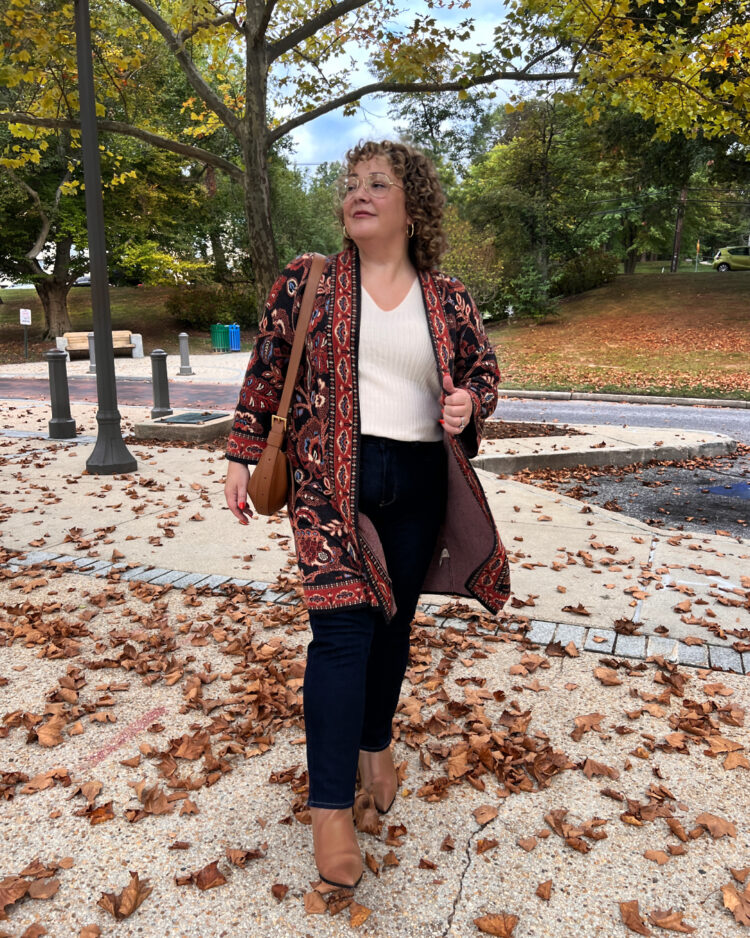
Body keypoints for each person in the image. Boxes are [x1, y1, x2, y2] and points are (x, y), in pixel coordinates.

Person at [224, 140, 510, 889]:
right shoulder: (309, 280)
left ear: (412, 206)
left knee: (392, 626)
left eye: (379, 183)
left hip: (419, 479)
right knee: (343, 632)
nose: (360, 193)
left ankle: (375, 743)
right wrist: (240, 453)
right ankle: (329, 809)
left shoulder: (447, 298)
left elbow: (484, 371)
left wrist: (468, 402)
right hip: (327, 483)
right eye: (352, 183)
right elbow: (266, 366)